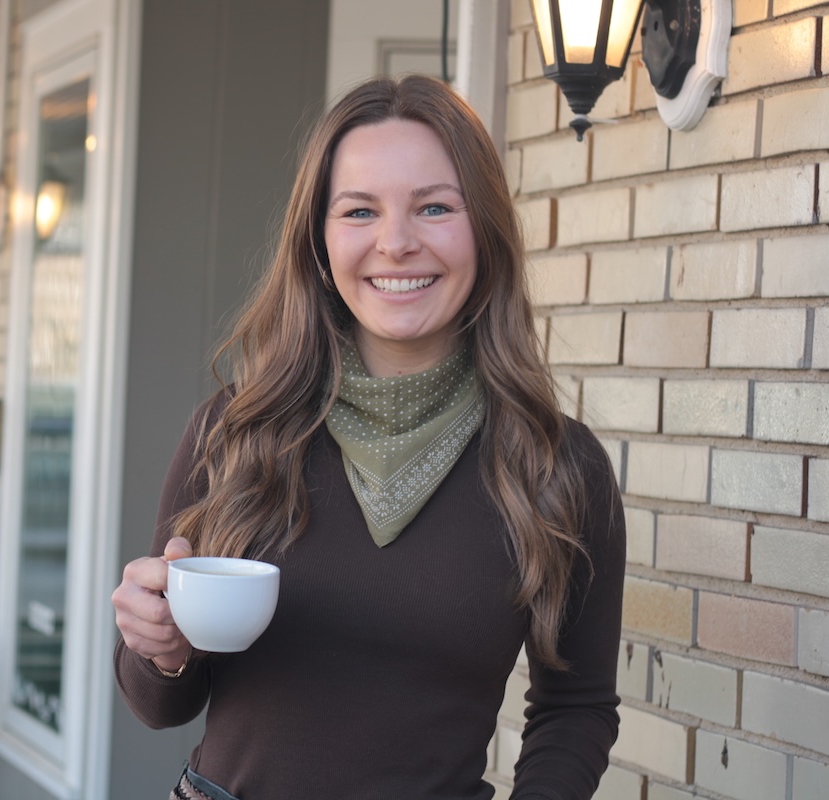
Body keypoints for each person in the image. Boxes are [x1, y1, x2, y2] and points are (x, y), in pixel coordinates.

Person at [112, 74, 626, 800]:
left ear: (484, 229)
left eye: (435, 207)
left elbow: (575, 709)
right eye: (359, 211)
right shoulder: (233, 433)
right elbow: (160, 703)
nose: (396, 243)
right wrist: (156, 648)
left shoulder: (558, 467)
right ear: (319, 242)